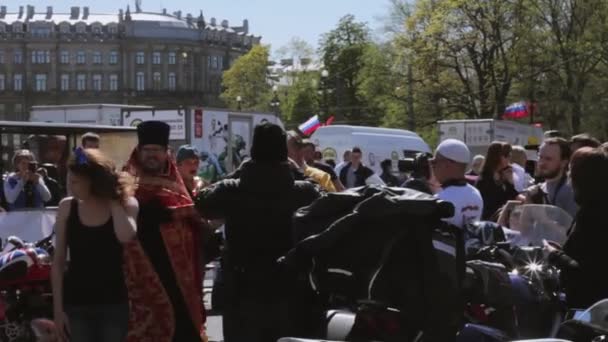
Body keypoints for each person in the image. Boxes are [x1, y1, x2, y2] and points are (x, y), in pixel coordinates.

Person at [195, 123, 320, 342]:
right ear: (283, 153)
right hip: (288, 287)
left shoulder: (232, 189)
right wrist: (296, 169)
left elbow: (202, 202)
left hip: (243, 288)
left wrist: (241, 170)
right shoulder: (302, 191)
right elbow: (323, 200)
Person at [124, 121, 206, 341]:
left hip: (178, 274)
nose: (152, 155)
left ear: (166, 152)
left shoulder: (178, 183)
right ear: (139, 151)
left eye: (157, 151)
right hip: (139, 273)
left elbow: (193, 219)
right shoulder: (124, 182)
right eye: (147, 150)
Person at [52, 147, 138, 342]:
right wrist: (57, 309)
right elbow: (58, 262)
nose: (70, 187)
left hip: (114, 304)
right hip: (76, 304)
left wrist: (113, 201)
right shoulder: (67, 207)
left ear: (94, 181)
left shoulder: (127, 204)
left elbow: (125, 236)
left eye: (75, 182)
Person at [545, 147, 608, 308]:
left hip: (591, 308)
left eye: (571, 171)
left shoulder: (591, 215)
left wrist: (553, 254)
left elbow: (584, 270)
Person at [431, 139, 483, 228]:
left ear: (446, 164)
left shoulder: (441, 199)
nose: (432, 166)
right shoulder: (476, 194)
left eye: (434, 162)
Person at [525, 138, 578, 217]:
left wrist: (542, 218)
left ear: (564, 163)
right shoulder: (535, 191)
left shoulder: (572, 191)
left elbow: (571, 228)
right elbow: (524, 225)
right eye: (540, 157)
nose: (542, 163)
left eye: (548, 159)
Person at [476, 142, 519, 220]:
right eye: (506, 155)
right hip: (490, 220)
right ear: (496, 157)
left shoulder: (504, 175)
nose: (509, 158)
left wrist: (510, 182)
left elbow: (513, 197)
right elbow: (489, 204)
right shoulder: (484, 179)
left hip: (504, 217)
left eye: (509, 155)